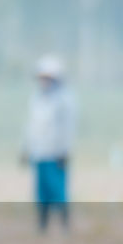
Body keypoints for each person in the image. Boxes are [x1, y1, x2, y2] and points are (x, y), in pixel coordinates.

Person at [22, 55, 76, 231]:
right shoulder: (36, 99)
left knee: (58, 190)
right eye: (42, 78)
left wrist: (65, 150)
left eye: (48, 78)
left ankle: (64, 225)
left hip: (56, 154)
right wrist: (26, 149)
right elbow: (31, 126)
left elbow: (67, 128)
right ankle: (42, 226)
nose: (44, 82)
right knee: (41, 192)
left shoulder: (64, 100)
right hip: (39, 153)